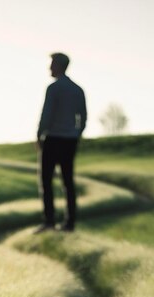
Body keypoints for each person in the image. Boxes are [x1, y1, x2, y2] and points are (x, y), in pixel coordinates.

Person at [36, 52, 87, 232]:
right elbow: (83, 116)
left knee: (46, 181)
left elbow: (46, 114)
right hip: (70, 140)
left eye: (52, 64)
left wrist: (39, 135)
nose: (50, 67)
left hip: (54, 139)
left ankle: (49, 222)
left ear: (58, 66)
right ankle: (70, 223)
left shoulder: (54, 88)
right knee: (68, 182)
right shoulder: (77, 89)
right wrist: (76, 133)